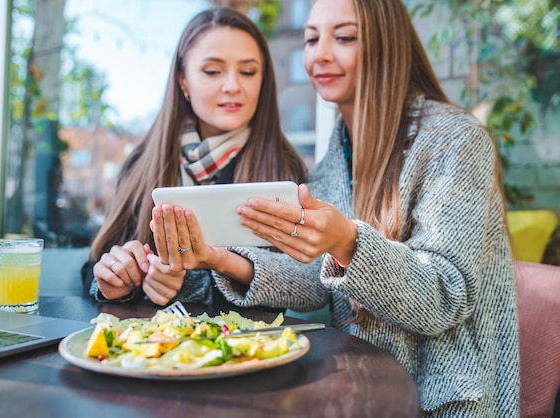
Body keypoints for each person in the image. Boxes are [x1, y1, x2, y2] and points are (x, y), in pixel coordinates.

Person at [200, 0, 519, 416]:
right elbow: (318, 279)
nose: (320, 55)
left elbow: (445, 294)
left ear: (387, 45)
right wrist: (222, 259)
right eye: (311, 39)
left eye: (345, 37)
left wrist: (347, 242)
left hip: (444, 402)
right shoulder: (332, 164)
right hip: (357, 393)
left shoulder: (455, 141)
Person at [81, 8, 310, 307]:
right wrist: (114, 280)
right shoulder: (142, 164)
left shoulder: (284, 170)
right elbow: (94, 265)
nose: (232, 86)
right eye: (213, 71)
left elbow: (302, 285)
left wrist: (185, 282)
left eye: (248, 72)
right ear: (183, 81)